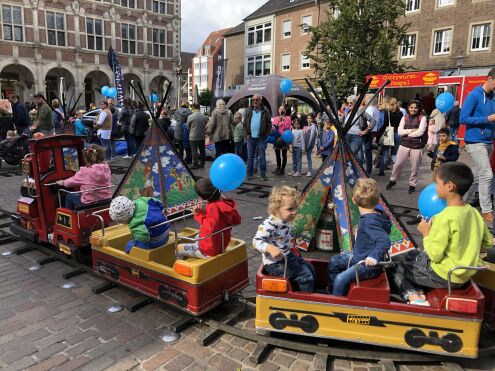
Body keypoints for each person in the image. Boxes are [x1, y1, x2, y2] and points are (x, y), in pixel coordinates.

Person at [388, 162, 492, 306]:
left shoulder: (444, 217)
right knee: (410, 254)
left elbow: (434, 255)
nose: (435, 187)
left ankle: (414, 297)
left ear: (449, 186)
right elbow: (486, 243)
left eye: (437, 183)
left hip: (443, 275)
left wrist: (427, 234)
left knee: (393, 263)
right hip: (463, 273)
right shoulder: (474, 212)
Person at [327, 178, 391, 296]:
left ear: (354, 201)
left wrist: (373, 257)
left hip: (367, 265)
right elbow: (376, 232)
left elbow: (384, 240)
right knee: (334, 261)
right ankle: (332, 290)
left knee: (341, 279)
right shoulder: (377, 215)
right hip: (360, 255)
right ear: (377, 201)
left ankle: (336, 299)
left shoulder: (369, 221)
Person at [253, 186, 315, 292]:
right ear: (276, 210)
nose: (294, 212)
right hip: (274, 263)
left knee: (310, 268)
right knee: (305, 277)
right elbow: (256, 241)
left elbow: (282, 239)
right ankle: (305, 300)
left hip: (287, 256)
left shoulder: (285, 219)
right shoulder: (270, 224)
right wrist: (270, 248)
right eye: (290, 209)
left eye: (295, 208)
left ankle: (310, 291)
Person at [460, 67, 495, 224]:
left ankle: (460, 202)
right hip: (475, 141)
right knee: (487, 174)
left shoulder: (493, 97)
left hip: (489, 141)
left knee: (477, 175)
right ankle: (486, 209)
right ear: (489, 78)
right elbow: (463, 118)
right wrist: (487, 119)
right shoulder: (474, 95)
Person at [176, 178, 241, 259]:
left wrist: (198, 214)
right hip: (223, 241)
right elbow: (235, 220)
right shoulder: (225, 202)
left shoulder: (212, 208)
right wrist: (202, 212)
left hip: (209, 249)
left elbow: (210, 227)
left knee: (178, 247)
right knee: (197, 236)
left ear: (201, 197)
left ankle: (182, 265)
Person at [386, 100, 427, 194]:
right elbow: (399, 132)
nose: (413, 109)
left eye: (415, 107)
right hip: (404, 144)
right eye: (411, 107)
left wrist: (406, 132)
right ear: (408, 108)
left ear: (419, 108)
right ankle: (393, 180)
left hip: (417, 146)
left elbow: (421, 132)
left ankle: (412, 185)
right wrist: (412, 130)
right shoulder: (405, 117)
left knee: (415, 167)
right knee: (398, 164)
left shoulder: (422, 118)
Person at [56, 145, 112, 209]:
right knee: (81, 194)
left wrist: (62, 182)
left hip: (89, 202)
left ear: (86, 159)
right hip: (105, 200)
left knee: (69, 195)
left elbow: (70, 182)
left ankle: (69, 216)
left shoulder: (84, 171)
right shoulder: (106, 168)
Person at [243, 94, 271, 181]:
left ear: (260, 101)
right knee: (250, 157)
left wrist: (265, 135)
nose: (254, 101)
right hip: (250, 138)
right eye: (253, 99)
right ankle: (249, 174)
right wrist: (246, 134)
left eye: (256, 99)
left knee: (262, 157)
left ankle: (262, 174)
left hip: (261, 138)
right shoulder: (248, 110)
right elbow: (244, 125)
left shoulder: (265, 111)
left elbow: (269, 125)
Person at [344, 96, 376, 165]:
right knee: (349, 155)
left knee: (351, 154)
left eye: (351, 103)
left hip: (357, 137)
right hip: (347, 136)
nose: (349, 104)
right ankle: (353, 171)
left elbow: (373, 121)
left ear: (355, 103)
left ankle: (357, 171)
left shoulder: (360, 111)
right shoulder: (347, 112)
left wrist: (365, 131)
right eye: (348, 103)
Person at [377, 98, 403, 176]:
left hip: (388, 132)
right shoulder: (400, 113)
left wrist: (379, 132)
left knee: (385, 152)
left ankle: (382, 171)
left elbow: (385, 124)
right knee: (395, 154)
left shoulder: (387, 112)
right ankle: (396, 172)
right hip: (397, 133)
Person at [272, 105, 292, 175]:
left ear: (285, 111)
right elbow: (273, 128)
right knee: (277, 154)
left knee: (284, 154)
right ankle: (278, 167)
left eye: (283, 109)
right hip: (277, 137)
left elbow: (288, 127)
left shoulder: (288, 118)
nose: (282, 110)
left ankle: (282, 169)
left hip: (284, 137)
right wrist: (278, 122)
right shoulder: (276, 118)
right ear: (278, 110)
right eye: (280, 109)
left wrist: (283, 120)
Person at [188, 103, 208, 169]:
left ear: (193, 108)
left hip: (193, 136)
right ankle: (202, 163)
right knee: (202, 150)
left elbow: (188, 127)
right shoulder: (204, 117)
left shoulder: (190, 116)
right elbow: (206, 126)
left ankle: (195, 164)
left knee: (194, 150)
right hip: (202, 136)